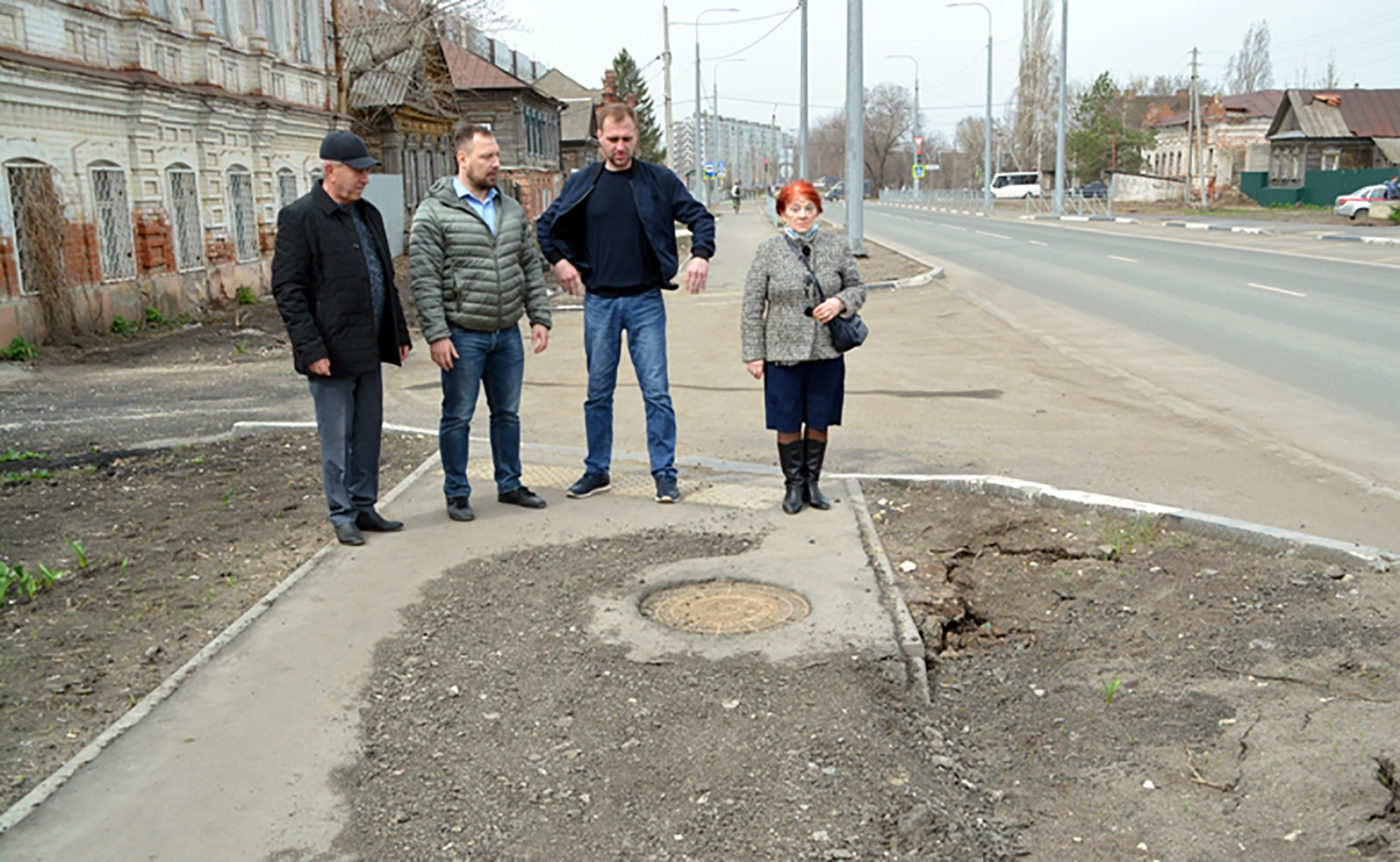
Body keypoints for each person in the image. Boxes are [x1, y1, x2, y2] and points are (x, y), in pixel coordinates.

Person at [536, 103, 716, 504]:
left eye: (627, 139)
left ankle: (664, 473)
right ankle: (597, 470)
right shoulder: (582, 182)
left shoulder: (659, 181)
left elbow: (701, 218)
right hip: (599, 302)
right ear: (599, 137)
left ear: (637, 137)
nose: (620, 147)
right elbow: (544, 227)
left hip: (645, 302)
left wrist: (701, 253)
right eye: (613, 139)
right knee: (598, 393)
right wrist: (561, 263)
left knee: (656, 392)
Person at [272, 130, 412, 545]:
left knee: (368, 431)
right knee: (337, 438)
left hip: (369, 343)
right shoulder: (301, 217)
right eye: (358, 170)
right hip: (330, 351)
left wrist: (398, 331)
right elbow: (288, 290)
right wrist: (310, 348)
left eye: (368, 171)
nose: (366, 178)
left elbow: (385, 280)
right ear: (330, 170)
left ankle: (365, 505)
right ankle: (342, 514)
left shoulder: (367, 214)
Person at [409, 122, 552, 522]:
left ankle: (510, 484)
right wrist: (437, 334)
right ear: (462, 158)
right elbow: (424, 279)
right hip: (462, 334)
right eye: (487, 156)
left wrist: (539, 315)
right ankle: (457, 492)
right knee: (458, 414)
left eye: (497, 156)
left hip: (506, 333)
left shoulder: (508, 207)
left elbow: (528, 264)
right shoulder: (433, 213)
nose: (496, 164)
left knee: (507, 413)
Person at [740, 179, 866, 514]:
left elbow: (858, 287)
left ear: (818, 212)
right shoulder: (767, 251)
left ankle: (813, 482)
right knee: (787, 420)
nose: (802, 215)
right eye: (795, 208)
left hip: (825, 351)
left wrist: (840, 302)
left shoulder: (836, 247)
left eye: (809, 208)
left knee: (819, 419)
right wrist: (753, 353)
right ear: (782, 213)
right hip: (782, 353)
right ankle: (793, 486)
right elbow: (752, 304)